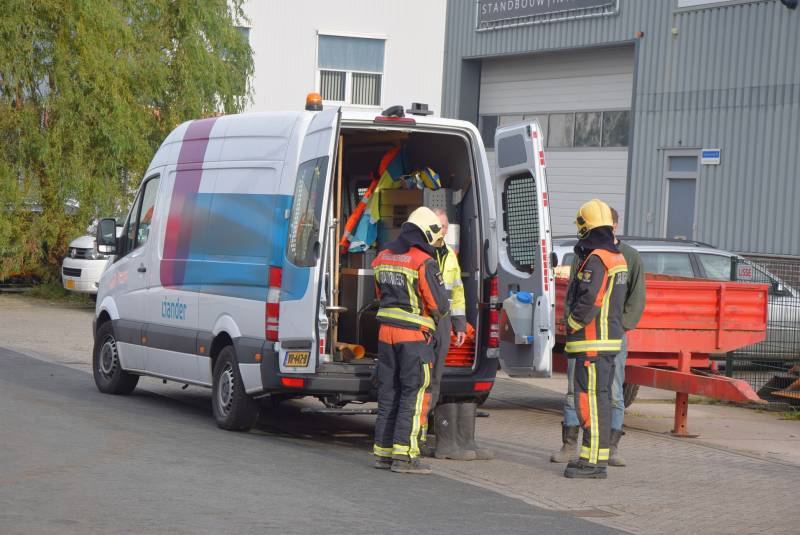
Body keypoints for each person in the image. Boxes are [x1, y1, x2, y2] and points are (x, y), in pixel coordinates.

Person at [551, 207, 645, 467]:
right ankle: (574, 446)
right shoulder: (586, 254)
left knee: (603, 394)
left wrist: (576, 323)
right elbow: (574, 293)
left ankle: (602, 451)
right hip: (594, 336)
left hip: (597, 337)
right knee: (582, 392)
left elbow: (607, 299)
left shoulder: (616, 257)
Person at [371, 206, 451, 474]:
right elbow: (439, 305)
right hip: (414, 338)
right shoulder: (423, 261)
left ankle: (383, 453)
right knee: (414, 394)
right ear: (427, 233)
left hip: (385, 336)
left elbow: (378, 292)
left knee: (389, 392)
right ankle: (405, 457)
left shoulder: (383, 256)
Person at [562, 199, 628, 479]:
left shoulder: (597, 259)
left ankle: (593, 464)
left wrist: (571, 324)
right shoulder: (617, 257)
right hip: (608, 341)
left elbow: (590, 298)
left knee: (588, 400)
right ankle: (593, 458)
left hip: (591, 341)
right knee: (600, 400)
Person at [424, 209, 493, 461]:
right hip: (425, 324)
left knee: (448, 383)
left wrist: (460, 324)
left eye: (444, 226)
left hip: (442, 323)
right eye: (438, 226)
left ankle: (464, 442)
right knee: (429, 383)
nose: (442, 231)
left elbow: (457, 292)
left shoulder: (448, 254)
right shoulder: (422, 252)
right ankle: (443, 443)